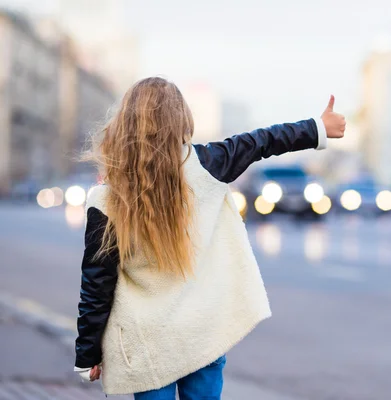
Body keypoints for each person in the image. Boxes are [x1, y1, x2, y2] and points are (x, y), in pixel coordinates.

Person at [74, 76, 345, 399]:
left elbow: (96, 283)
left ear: (125, 124)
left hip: (147, 344)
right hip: (202, 334)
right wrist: (316, 128)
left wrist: (87, 354)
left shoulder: (107, 199)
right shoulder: (207, 165)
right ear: (182, 120)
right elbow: (261, 141)